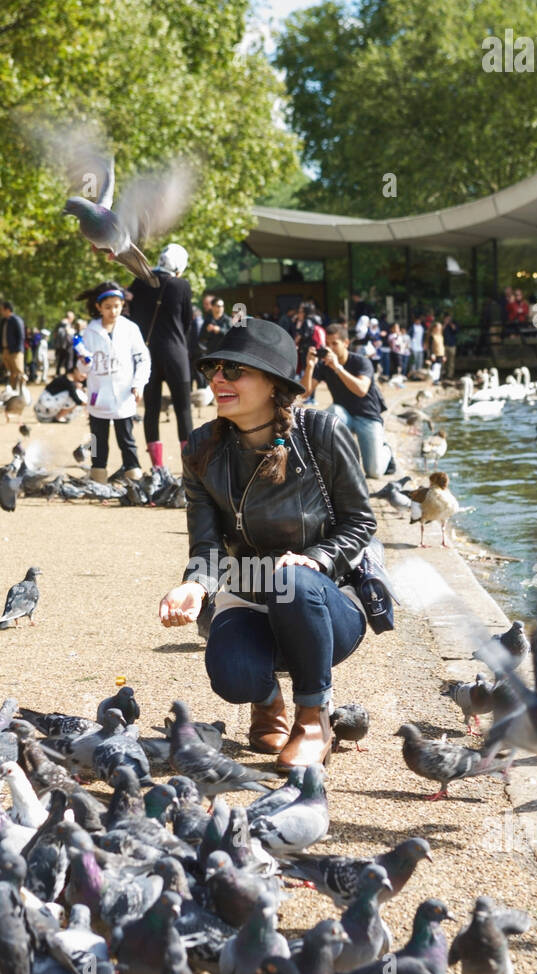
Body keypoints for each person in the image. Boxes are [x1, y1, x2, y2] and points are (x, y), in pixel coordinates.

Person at [158, 318, 375, 769]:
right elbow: (206, 547)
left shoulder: (321, 434)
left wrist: (315, 559)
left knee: (291, 579)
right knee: (232, 677)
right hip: (250, 595)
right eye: (214, 368)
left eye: (234, 370)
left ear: (275, 384)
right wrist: (195, 586)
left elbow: (360, 522)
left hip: (323, 601)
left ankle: (314, 718)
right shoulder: (201, 447)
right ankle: (266, 698)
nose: (218, 378)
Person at [128, 242, 194, 467]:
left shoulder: (139, 283)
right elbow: (187, 323)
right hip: (176, 353)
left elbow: (133, 316)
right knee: (183, 410)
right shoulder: (181, 286)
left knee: (151, 410)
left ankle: (157, 467)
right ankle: (188, 468)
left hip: (147, 354)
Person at [77, 281, 150, 483]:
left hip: (124, 392)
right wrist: (83, 363)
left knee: (126, 438)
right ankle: (98, 473)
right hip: (98, 394)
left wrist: (139, 383)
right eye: (108, 307)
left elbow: (143, 358)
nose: (113, 311)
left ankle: (133, 473)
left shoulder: (130, 329)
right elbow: (83, 368)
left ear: (122, 305)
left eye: (117, 306)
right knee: (97, 438)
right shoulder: (89, 332)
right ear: (98, 307)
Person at [302, 322, 389, 480]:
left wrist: (338, 368)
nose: (330, 348)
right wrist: (309, 367)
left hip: (367, 417)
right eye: (327, 344)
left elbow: (361, 390)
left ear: (346, 343)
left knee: (374, 472)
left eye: (334, 343)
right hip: (344, 416)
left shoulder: (361, 361)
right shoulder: (324, 366)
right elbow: (305, 394)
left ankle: (386, 450)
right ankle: (334, 467)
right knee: (332, 412)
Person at [0, 300, 25, 389]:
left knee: (18, 371)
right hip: (5, 350)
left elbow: (21, 336)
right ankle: (14, 391)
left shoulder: (16, 320)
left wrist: (17, 349)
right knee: (11, 373)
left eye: (2, 309)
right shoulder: (3, 321)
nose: (0, 311)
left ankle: (22, 391)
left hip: (15, 351)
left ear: (8, 310)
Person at [442, 312, 458, 380]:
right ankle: (443, 373)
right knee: (443, 361)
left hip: (452, 345)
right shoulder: (442, 325)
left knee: (451, 361)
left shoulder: (454, 324)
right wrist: (445, 324)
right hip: (444, 345)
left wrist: (451, 324)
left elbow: (455, 330)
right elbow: (440, 331)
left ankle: (450, 375)